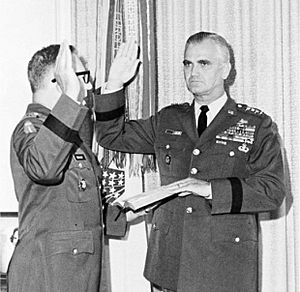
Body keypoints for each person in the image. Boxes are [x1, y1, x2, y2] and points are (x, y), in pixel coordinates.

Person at [95, 32, 286, 292]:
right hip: (169, 265)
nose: (193, 71)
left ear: (226, 69)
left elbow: (272, 192)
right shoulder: (168, 120)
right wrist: (114, 83)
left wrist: (209, 189)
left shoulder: (255, 125)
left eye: (203, 63)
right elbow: (111, 136)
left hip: (224, 267)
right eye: (187, 63)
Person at [8, 42, 127, 292]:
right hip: (46, 275)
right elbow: (44, 168)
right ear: (58, 80)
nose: (88, 85)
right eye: (82, 77)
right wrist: (70, 95)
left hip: (76, 274)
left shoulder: (66, 132)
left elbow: (69, 203)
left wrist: (124, 214)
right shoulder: (30, 129)